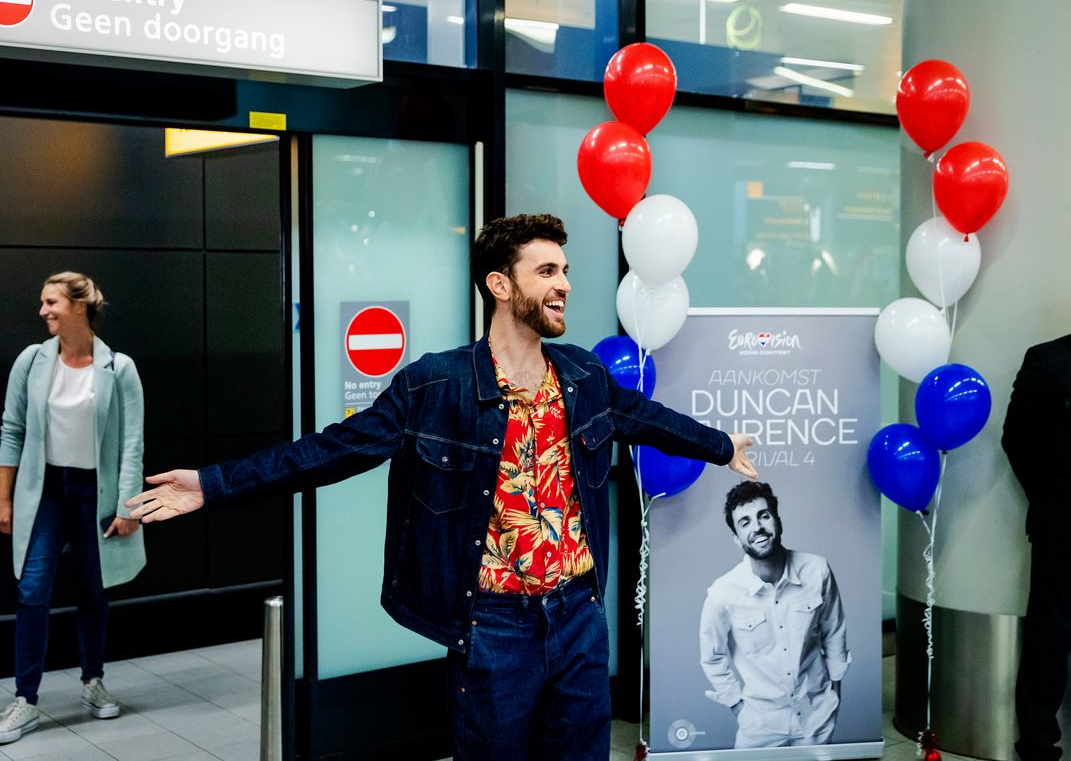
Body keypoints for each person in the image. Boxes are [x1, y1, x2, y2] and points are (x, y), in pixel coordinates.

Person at [128, 213, 757, 760]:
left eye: (564, 269)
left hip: (578, 621)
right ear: (500, 286)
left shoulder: (583, 375)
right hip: (494, 628)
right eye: (546, 271)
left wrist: (721, 445)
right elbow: (333, 449)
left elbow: (644, 417)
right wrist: (214, 484)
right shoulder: (435, 386)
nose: (564, 283)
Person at [0, 272, 145, 744]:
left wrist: (127, 506)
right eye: (43, 303)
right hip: (44, 491)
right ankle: (25, 700)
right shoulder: (31, 361)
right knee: (31, 590)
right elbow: (11, 431)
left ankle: (93, 682)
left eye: (51, 302)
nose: (43, 311)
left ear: (78, 306)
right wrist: (4, 498)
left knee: (92, 590)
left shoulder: (118, 368)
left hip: (94, 492)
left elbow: (131, 444)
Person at [1003, 262, 1071, 761]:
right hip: (1067, 527)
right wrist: (1052, 498)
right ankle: (1039, 745)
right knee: (1049, 640)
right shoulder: (1049, 360)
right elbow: (1018, 440)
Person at [699, 480, 848, 748]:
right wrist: (738, 706)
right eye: (744, 522)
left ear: (777, 520)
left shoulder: (817, 570)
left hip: (818, 717)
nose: (756, 527)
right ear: (736, 538)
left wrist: (835, 690)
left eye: (763, 516)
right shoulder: (722, 593)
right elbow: (712, 657)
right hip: (760, 726)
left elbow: (833, 630)